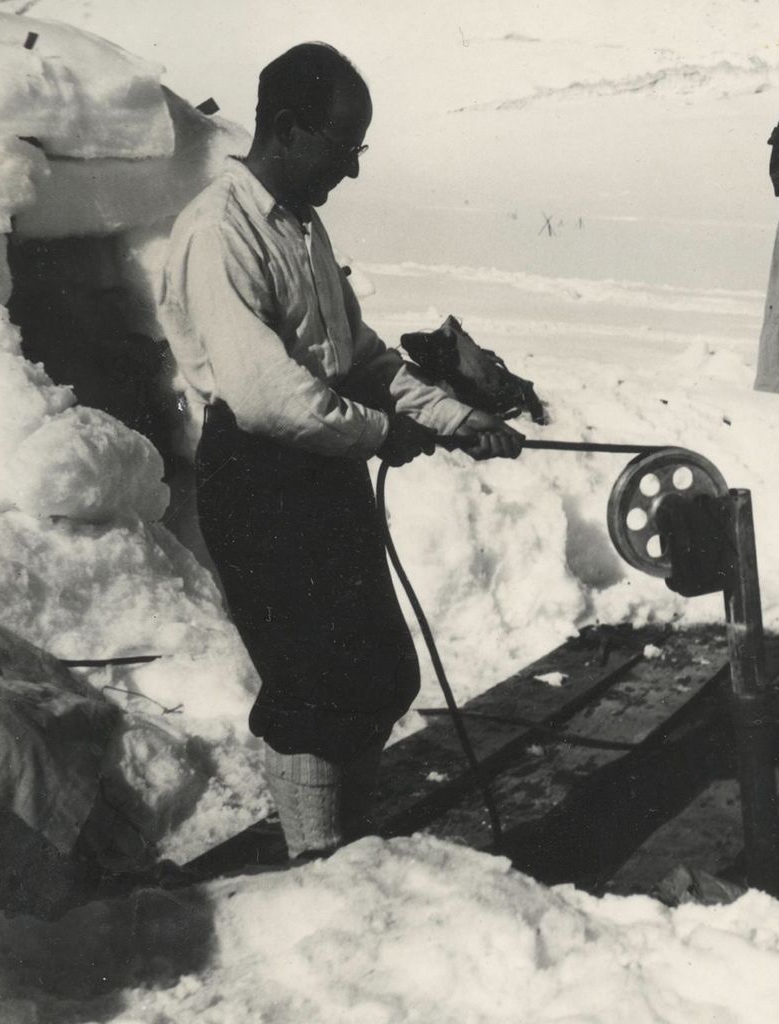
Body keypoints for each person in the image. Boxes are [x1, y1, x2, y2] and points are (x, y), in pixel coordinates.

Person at [158, 43, 522, 860]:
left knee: (379, 671)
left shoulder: (303, 229)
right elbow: (266, 395)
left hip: (320, 470)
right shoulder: (220, 232)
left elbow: (360, 360)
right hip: (257, 476)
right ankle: (320, 864)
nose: (352, 171)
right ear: (287, 129)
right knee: (312, 683)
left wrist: (456, 419)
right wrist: (383, 432)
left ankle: (352, 848)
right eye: (343, 146)